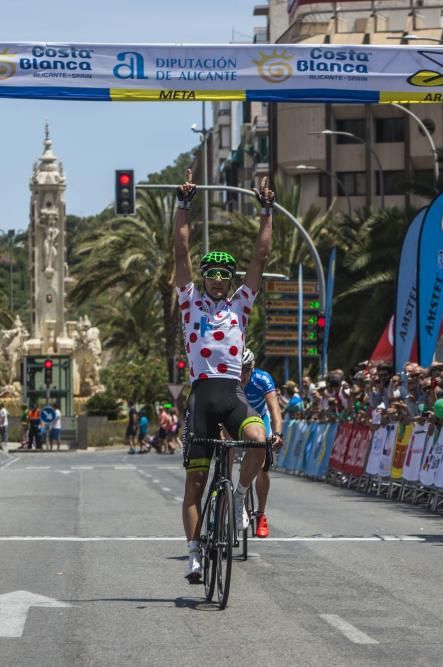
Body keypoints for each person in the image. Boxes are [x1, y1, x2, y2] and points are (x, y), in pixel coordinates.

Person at [175, 169, 274, 582]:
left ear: (231, 282)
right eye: (211, 274)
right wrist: (183, 205)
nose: (217, 280)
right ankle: (196, 552)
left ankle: (236, 496)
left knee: (260, 442)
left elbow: (260, 258)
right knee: (195, 483)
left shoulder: (240, 307)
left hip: (232, 395)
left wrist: (267, 210)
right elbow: (180, 253)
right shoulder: (189, 302)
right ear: (203, 278)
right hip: (201, 397)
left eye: (224, 276)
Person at [240, 349, 283, 538]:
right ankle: (232, 502)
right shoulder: (231, 379)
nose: (242, 374)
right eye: (239, 369)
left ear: (253, 367)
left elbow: (274, 409)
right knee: (227, 451)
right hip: (237, 419)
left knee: (262, 466)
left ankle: (261, 514)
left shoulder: (262, 379)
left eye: (246, 369)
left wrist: (278, 433)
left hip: (260, 418)